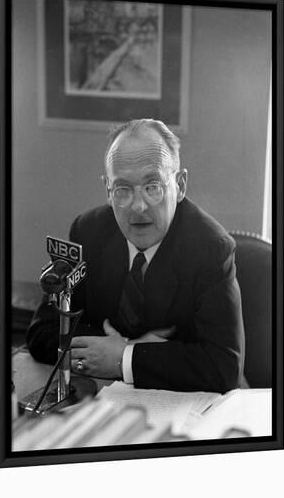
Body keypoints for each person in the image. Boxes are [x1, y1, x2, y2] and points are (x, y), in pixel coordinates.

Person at [26, 119, 245, 393]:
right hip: (106, 399)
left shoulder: (211, 247)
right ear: (108, 190)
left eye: (152, 186)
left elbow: (224, 368)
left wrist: (124, 357)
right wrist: (111, 351)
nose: (138, 206)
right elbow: (42, 331)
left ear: (180, 185)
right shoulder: (88, 230)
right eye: (123, 189)